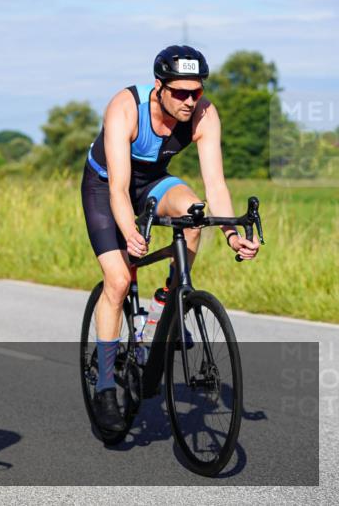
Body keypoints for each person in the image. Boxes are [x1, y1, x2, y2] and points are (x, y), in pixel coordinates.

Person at [81, 45, 261, 431]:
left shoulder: (205, 114)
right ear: (159, 86)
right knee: (118, 279)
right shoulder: (125, 107)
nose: (189, 100)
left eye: (195, 91)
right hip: (106, 185)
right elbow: (119, 188)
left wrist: (231, 234)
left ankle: (168, 300)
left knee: (194, 212)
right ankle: (106, 385)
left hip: (155, 182)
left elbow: (216, 183)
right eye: (180, 92)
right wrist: (129, 231)